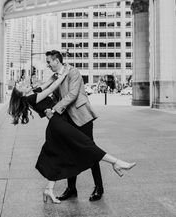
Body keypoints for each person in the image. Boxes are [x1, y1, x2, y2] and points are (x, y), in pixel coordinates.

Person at [8, 69, 136, 204]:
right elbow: (52, 87)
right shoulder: (31, 97)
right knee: (85, 144)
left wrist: (54, 75)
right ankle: (117, 162)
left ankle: (49, 189)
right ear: (22, 94)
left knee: (60, 155)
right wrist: (63, 75)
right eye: (20, 86)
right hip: (58, 125)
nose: (22, 83)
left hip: (58, 123)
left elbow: (48, 83)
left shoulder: (34, 92)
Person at [45, 49, 104, 202]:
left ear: (57, 61)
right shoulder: (55, 77)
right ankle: (71, 189)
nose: (48, 65)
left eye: (49, 62)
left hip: (82, 116)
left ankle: (99, 187)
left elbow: (72, 94)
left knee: (90, 151)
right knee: (69, 152)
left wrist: (55, 108)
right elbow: (55, 95)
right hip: (68, 119)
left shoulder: (73, 72)